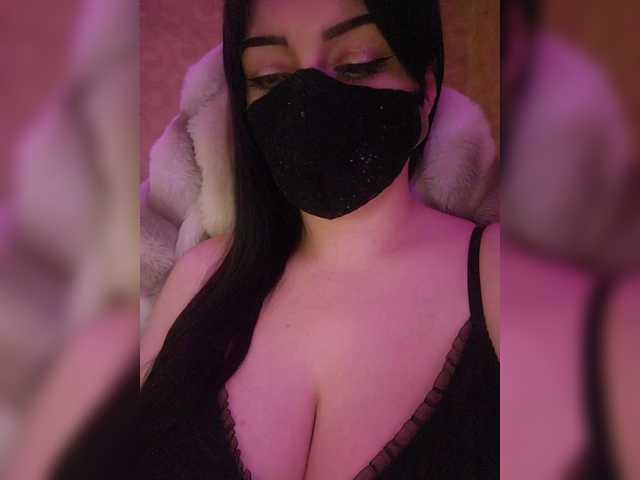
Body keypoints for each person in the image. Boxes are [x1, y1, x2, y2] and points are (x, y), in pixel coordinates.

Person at [139, 1, 500, 479]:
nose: (308, 101)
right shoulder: (197, 279)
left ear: (426, 91)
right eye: (270, 77)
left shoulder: (501, 278)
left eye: (357, 65)